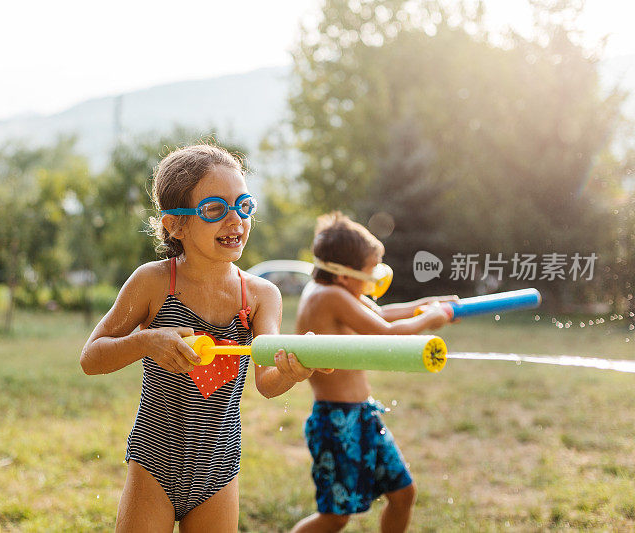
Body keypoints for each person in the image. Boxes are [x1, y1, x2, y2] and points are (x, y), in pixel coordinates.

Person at [80, 144, 330, 532]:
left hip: (218, 467)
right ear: (175, 225)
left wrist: (295, 371)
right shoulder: (154, 282)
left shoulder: (261, 296)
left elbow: (267, 382)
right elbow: (91, 358)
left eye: (244, 205)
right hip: (155, 460)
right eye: (215, 210)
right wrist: (147, 342)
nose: (236, 220)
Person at [291, 212, 453, 533]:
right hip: (336, 422)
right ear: (343, 275)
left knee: (403, 494)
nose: (374, 279)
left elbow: (380, 314)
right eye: (370, 271)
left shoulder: (333, 290)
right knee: (335, 517)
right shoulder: (329, 297)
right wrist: (429, 320)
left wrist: (429, 305)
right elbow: (386, 333)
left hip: (363, 416)